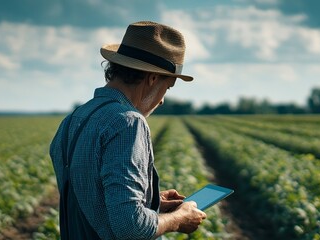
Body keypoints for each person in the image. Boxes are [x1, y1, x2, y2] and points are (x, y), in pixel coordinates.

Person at [49, 21, 207, 239]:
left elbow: (89, 198)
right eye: (167, 88)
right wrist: (179, 218)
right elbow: (131, 227)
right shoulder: (128, 122)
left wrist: (152, 201)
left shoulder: (73, 119)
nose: (162, 101)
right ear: (152, 79)